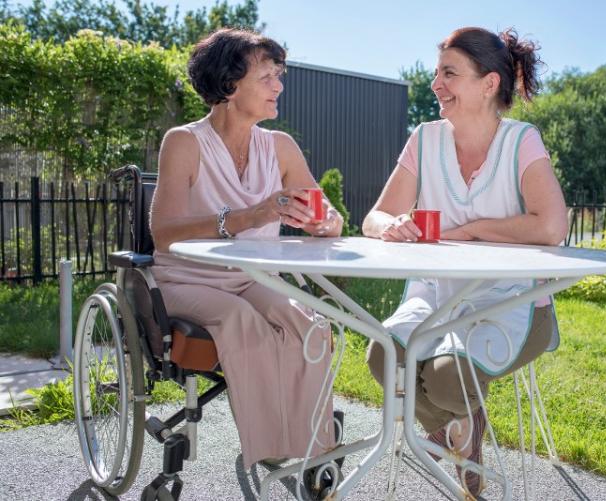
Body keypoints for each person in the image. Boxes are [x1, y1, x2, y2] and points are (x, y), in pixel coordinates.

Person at [362, 26, 568, 497]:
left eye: (449, 74)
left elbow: (551, 226)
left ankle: (450, 429)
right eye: (437, 73)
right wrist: (390, 226)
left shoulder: (522, 141)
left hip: (513, 304)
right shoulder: (424, 138)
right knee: (383, 356)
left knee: (448, 377)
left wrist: (473, 228)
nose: (436, 83)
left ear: (488, 83)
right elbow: (375, 216)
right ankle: (459, 430)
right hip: (434, 295)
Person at [149, 28, 343, 469]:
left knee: (307, 322)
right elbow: (163, 233)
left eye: (279, 75)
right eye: (267, 76)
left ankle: (316, 441)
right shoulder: (184, 142)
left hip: (252, 277)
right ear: (230, 83)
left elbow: (329, 218)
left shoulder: (281, 147)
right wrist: (249, 216)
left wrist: (324, 222)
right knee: (241, 320)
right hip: (187, 278)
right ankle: (270, 453)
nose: (279, 86)